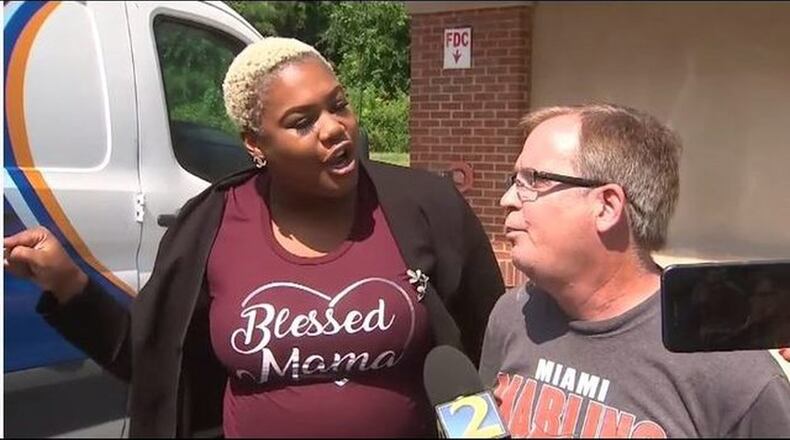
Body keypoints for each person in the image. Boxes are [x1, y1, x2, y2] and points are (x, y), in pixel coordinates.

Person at [3, 37, 505, 438]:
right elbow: (154, 363)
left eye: (339, 105)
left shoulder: (426, 205)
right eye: (302, 122)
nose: (334, 129)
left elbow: (489, 344)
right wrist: (68, 285)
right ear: (255, 143)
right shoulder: (211, 224)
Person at [479, 103, 790, 437]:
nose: (507, 198)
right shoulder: (513, 315)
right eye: (514, 180)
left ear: (607, 206)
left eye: (532, 180)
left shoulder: (727, 368)